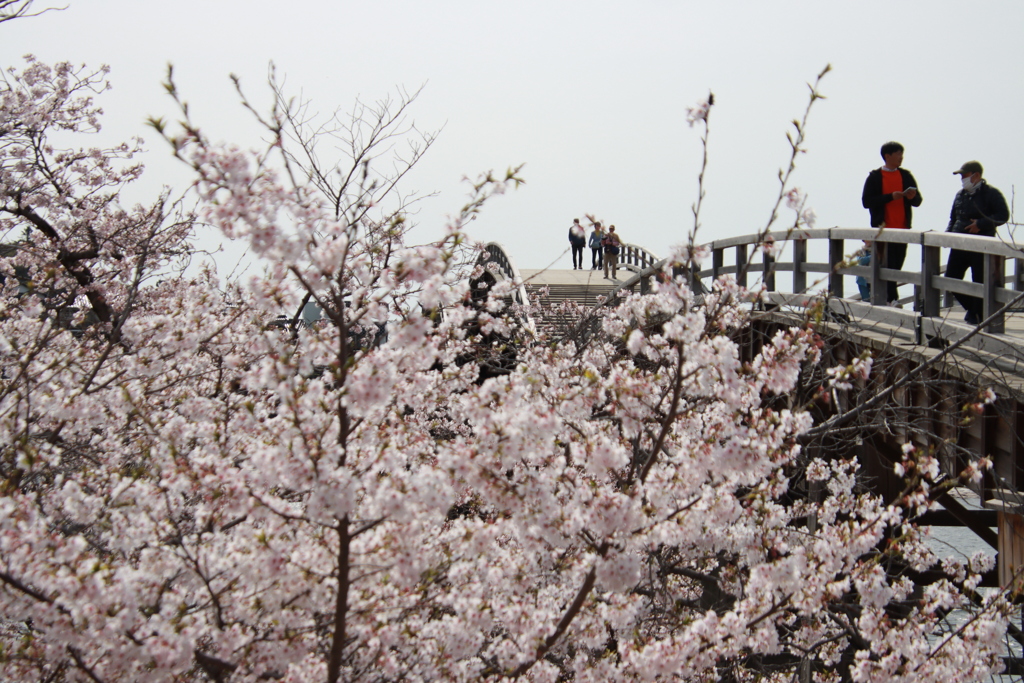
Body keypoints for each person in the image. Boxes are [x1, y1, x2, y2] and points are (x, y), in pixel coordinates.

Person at [945, 161, 1010, 325]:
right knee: (951, 279)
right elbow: (953, 218)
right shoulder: (960, 194)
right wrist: (947, 236)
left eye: (964, 175)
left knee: (980, 281)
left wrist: (980, 224)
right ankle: (973, 310)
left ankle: (976, 315)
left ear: (977, 175)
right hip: (959, 243)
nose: (962, 179)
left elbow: (1003, 215)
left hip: (981, 245)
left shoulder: (991, 193)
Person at [861, 141, 922, 305]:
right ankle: (892, 300)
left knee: (896, 266)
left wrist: (912, 197)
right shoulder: (875, 177)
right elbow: (866, 202)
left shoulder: (906, 175)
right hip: (883, 231)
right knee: (887, 266)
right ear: (887, 156)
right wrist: (889, 197)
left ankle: (890, 300)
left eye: (902, 154)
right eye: (898, 154)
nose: (901, 158)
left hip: (903, 230)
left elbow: (918, 200)